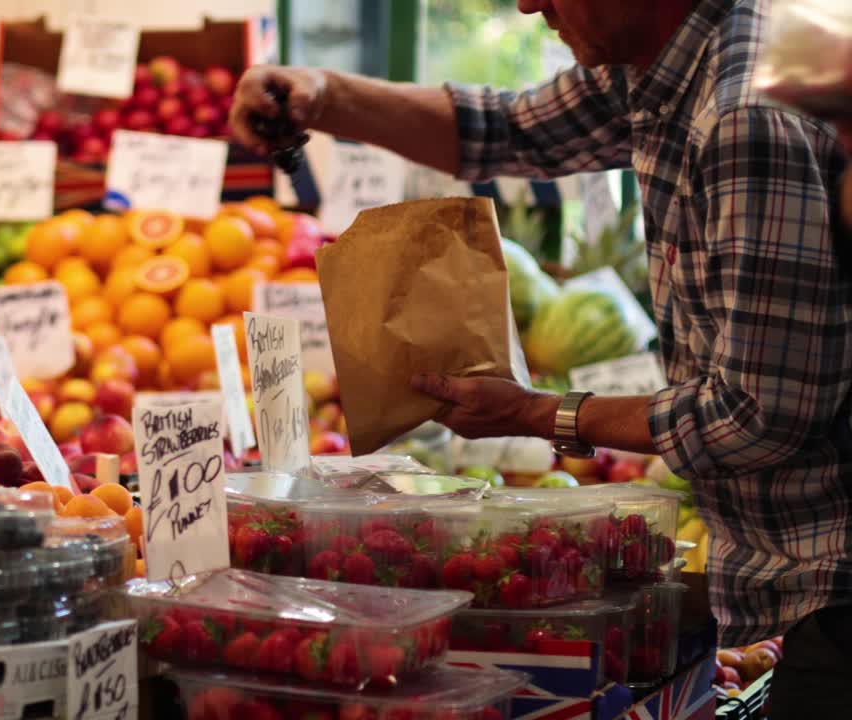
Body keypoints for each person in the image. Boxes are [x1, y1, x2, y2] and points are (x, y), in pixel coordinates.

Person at [230, 0, 851, 714]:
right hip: (779, 584)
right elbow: (505, 128)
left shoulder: (745, 114)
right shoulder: (661, 68)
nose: (527, 3)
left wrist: (539, 414)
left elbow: (757, 415)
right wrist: (319, 95)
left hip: (829, 601)